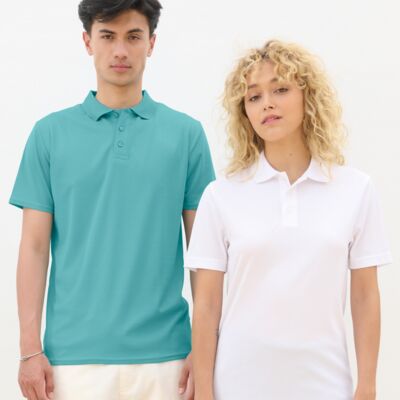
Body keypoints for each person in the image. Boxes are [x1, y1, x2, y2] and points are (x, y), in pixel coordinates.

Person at [10, 1, 215, 399]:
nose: (120, 50)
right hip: (71, 362)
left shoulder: (187, 135)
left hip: (168, 359)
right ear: (88, 42)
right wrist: (29, 349)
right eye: (107, 36)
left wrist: (204, 347)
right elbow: (33, 247)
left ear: (151, 43)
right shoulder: (49, 135)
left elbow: (205, 252)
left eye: (133, 36)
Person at [185, 40, 392, 400]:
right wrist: (204, 391)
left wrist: (368, 386)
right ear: (245, 112)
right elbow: (206, 306)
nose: (267, 103)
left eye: (280, 89)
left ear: (307, 96)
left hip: (327, 385)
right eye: (254, 96)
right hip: (238, 385)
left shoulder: (355, 189)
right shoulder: (221, 195)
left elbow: (364, 296)